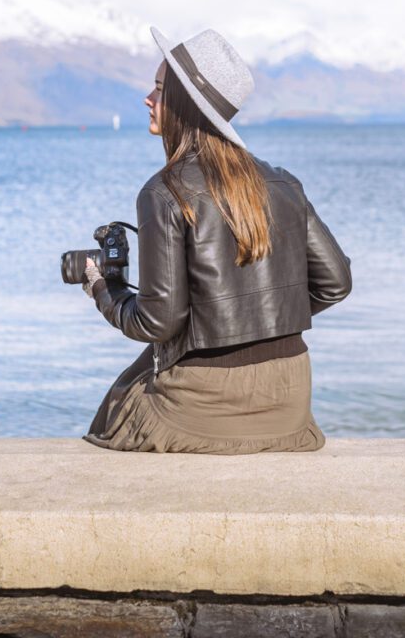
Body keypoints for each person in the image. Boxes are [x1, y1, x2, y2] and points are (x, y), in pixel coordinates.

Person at [80, 26, 353, 454]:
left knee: (120, 404)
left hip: (209, 403)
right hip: (290, 395)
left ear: (186, 104)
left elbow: (156, 322)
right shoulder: (283, 183)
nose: (147, 99)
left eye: (158, 89)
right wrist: (260, 318)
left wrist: (102, 287)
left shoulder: (163, 192)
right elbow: (336, 283)